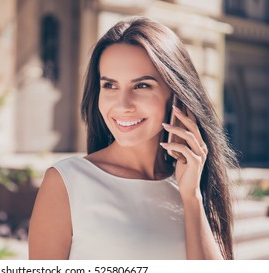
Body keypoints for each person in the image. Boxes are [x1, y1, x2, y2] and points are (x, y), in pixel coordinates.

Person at [28, 16, 237, 260]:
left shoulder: (192, 186)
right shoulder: (66, 182)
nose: (123, 104)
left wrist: (192, 198)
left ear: (177, 95)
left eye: (141, 86)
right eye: (110, 86)